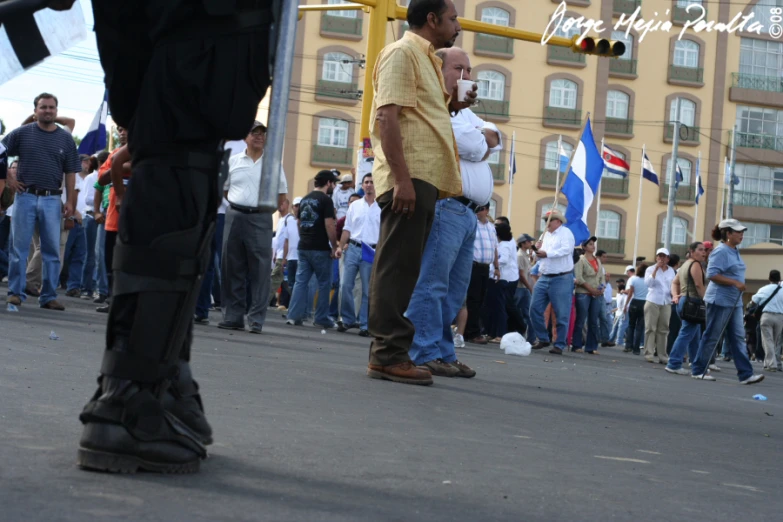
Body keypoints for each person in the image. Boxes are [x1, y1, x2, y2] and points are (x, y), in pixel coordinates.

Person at [75, 1, 276, 473]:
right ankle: (127, 404)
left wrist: (139, 121)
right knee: (169, 234)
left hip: (182, 80)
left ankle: (157, 382)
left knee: (180, 225)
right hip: (195, 70)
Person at [365, 0, 474, 386]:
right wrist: (402, 180)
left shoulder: (426, 57)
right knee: (397, 267)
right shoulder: (401, 53)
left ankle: (391, 353)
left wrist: (454, 105)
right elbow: (386, 116)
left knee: (406, 268)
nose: (458, 25)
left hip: (422, 178)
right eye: (453, 18)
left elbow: (421, 115)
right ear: (432, 19)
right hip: (408, 177)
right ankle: (388, 354)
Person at [404, 46, 500, 377]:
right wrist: (481, 139)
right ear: (438, 70)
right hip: (448, 205)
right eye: (459, 68)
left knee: (454, 290)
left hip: (468, 213)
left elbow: (494, 135)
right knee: (433, 282)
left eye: (470, 70)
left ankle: (441, 351)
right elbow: (477, 144)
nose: (467, 77)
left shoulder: (463, 112)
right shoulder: (437, 107)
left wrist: (482, 137)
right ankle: (422, 351)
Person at [3, 93, 80, 311]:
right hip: (25, 196)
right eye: (43, 107)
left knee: (52, 251)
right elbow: (1, 151)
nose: (48, 111)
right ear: (35, 110)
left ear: (57, 111)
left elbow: (71, 172)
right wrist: (10, 179)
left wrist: (70, 203)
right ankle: (15, 294)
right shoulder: (22, 133)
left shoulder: (65, 138)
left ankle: (48, 296)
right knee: (18, 249)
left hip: (52, 199)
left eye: (51, 108)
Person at [218, 122, 288, 334]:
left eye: (262, 133)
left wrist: (261, 211)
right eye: (254, 133)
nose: (258, 136)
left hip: (261, 219)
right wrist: (242, 205)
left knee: (260, 271)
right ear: (245, 137)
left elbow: (281, 196)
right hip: (236, 215)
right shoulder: (233, 161)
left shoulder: (273, 164)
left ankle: (256, 319)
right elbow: (226, 191)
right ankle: (233, 317)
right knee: (232, 268)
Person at [690, 219, 764, 384]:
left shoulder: (734, 250)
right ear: (728, 234)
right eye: (738, 232)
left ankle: (745, 374)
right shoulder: (721, 251)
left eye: (742, 231)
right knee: (712, 336)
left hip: (734, 302)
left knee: (738, 337)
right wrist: (735, 283)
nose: (741, 234)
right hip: (720, 300)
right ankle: (698, 369)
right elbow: (712, 274)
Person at [286, 170, 340, 328]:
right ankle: (321, 318)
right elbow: (329, 224)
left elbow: (299, 222)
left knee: (300, 282)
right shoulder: (326, 200)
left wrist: (304, 238)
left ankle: (293, 316)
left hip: (303, 247)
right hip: (320, 248)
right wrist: (334, 246)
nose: (334, 186)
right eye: (333, 183)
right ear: (328, 183)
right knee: (324, 283)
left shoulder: (304, 199)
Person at [336, 173, 380, 336]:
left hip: (371, 249)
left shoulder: (381, 207)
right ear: (362, 186)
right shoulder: (355, 206)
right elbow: (347, 228)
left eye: (371, 182)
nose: (369, 185)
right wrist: (340, 246)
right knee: (345, 285)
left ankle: (365, 324)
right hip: (353, 247)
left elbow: (384, 232)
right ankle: (347, 319)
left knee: (368, 290)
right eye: (366, 182)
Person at [529, 209, 576, 355]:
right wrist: (535, 252)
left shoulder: (566, 233)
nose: (546, 223)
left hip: (561, 277)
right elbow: (538, 258)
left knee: (561, 313)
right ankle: (543, 337)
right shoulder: (545, 236)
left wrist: (546, 253)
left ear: (558, 221)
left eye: (549, 220)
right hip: (545, 275)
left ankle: (559, 344)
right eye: (545, 220)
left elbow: (566, 250)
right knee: (534, 309)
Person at [666, 242, 707, 375]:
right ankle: (674, 363)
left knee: (694, 335)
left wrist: (675, 295)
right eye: (700, 250)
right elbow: (698, 285)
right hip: (692, 302)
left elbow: (675, 282)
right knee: (686, 333)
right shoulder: (695, 264)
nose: (703, 253)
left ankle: (696, 364)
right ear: (692, 251)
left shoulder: (684, 265)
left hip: (684, 301)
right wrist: (705, 301)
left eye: (704, 250)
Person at [572, 236, 605, 355]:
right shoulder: (580, 260)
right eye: (590, 244)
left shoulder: (597, 260)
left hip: (596, 293)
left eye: (593, 244)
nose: (593, 246)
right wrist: (591, 289)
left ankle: (591, 346)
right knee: (580, 320)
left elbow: (602, 276)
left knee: (594, 321)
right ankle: (576, 344)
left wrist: (602, 288)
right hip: (584, 293)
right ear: (584, 247)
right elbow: (579, 278)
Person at [751, 269, 783, 372]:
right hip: (780, 317)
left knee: (767, 340)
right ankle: (767, 363)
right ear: (779, 279)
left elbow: (754, 301)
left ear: (769, 278)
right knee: (774, 341)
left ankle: (771, 364)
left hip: (767, 316)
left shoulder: (764, 289)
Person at [623, 262, 649, 355]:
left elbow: (630, 293)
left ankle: (628, 346)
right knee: (640, 327)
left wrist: (626, 305)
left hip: (634, 302)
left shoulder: (633, 279)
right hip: (645, 303)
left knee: (631, 325)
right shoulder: (648, 281)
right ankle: (636, 348)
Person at [515, 233, 535, 337]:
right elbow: (521, 275)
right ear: (523, 243)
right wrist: (529, 287)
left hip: (524, 288)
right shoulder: (520, 256)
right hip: (520, 288)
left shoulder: (525, 255)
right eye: (528, 241)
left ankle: (531, 338)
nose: (531, 243)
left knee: (527, 314)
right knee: (518, 313)